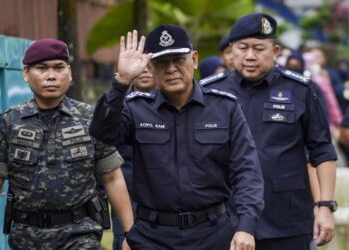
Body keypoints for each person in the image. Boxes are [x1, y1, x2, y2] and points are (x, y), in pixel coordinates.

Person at [90, 25, 264, 250]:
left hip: (213, 234)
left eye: (178, 60)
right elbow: (102, 134)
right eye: (162, 62)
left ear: (194, 59)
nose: (171, 69)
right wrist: (121, 82)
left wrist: (246, 226)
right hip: (152, 236)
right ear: (150, 68)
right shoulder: (136, 108)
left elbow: (247, 170)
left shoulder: (225, 108)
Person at [200, 13, 337, 250]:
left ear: (274, 52)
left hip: (287, 220)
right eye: (243, 48)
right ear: (231, 51)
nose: (250, 56)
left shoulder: (299, 89)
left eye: (259, 48)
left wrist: (324, 206)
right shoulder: (211, 93)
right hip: (226, 220)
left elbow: (322, 150)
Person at [0, 39, 134, 250]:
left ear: (70, 73)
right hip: (25, 238)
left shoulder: (91, 119)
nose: (51, 76)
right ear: (26, 74)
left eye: (59, 67)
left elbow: (112, 177)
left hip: (80, 234)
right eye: (41, 68)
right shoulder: (8, 122)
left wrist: (129, 233)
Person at [111, 67, 156, 250]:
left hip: (165, 201)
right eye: (140, 68)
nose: (145, 72)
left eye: (150, 67)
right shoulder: (117, 107)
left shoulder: (175, 106)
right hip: (127, 198)